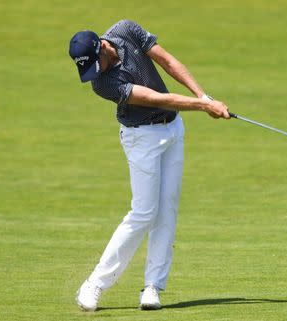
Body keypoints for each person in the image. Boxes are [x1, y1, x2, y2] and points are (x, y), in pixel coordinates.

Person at [68, 19, 230, 312]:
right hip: (140, 137)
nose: (95, 72)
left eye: (96, 63)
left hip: (172, 131)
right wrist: (204, 107)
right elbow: (156, 98)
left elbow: (166, 61)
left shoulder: (125, 30)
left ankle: (153, 286)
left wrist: (203, 95)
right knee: (143, 212)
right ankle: (95, 283)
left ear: (102, 47)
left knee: (166, 209)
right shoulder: (102, 84)